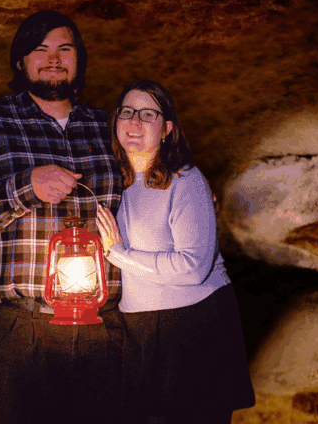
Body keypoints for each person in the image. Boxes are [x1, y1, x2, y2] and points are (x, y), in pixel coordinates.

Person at [0, 10, 125, 424]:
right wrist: (28, 186)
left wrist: (191, 192)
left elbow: (150, 193)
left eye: (65, 49)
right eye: (40, 49)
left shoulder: (110, 127)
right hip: (24, 328)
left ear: (79, 59)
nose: (53, 59)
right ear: (20, 61)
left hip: (106, 325)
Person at [96, 79, 256, 423]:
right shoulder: (115, 183)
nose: (135, 121)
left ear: (167, 129)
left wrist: (119, 254)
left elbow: (193, 267)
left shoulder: (186, 181)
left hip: (194, 326)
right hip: (139, 327)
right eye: (127, 112)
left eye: (147, 114)